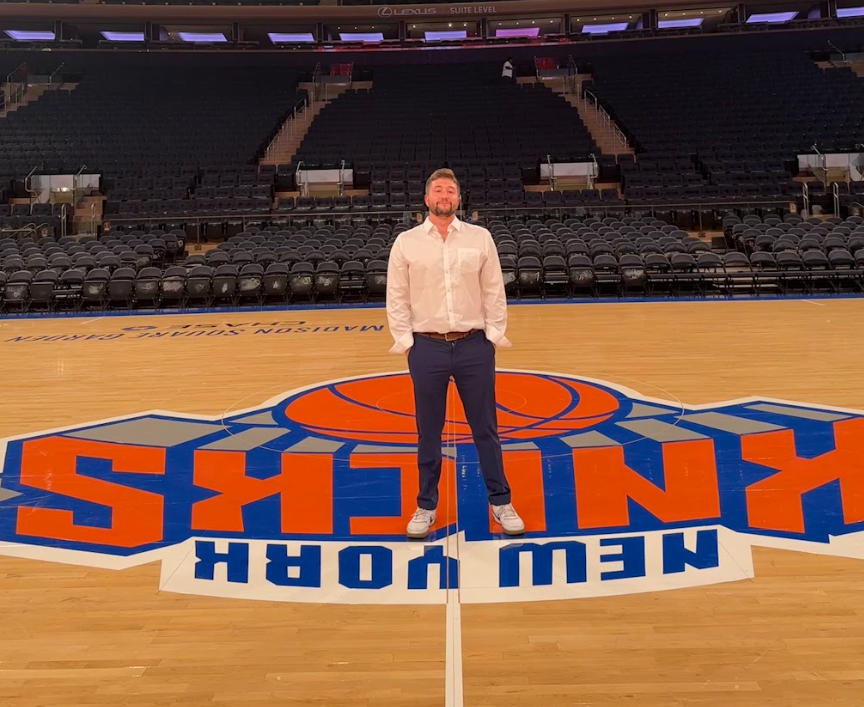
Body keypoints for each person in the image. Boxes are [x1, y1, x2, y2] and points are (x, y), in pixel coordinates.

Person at [386, 168, 525, 539]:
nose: (444, 195)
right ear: (426, 199)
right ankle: (425, 506)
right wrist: (406, 343)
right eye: (438, 190)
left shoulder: (480, 238)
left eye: (450, 190)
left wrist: (492, 337)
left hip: (473, 346)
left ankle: (501, 501)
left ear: (458, 199)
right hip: (426, 346)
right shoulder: (407, 242)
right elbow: (396, 295)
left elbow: (494, 290)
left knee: (486, 429)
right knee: (428, 433)